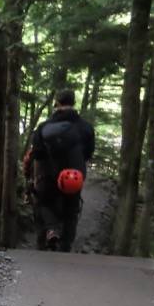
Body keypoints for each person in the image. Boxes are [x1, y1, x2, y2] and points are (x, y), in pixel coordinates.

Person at [29, 89, 95, 252]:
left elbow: (37, 155)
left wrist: (37, 177)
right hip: (74, 176)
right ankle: (65, 247)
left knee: (43, 203)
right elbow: (88, 154)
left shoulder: (44, 127)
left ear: (57, 103)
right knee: (72, 209)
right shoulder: (86, 127)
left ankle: (52, 230)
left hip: (48, 174)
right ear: (73, 103)